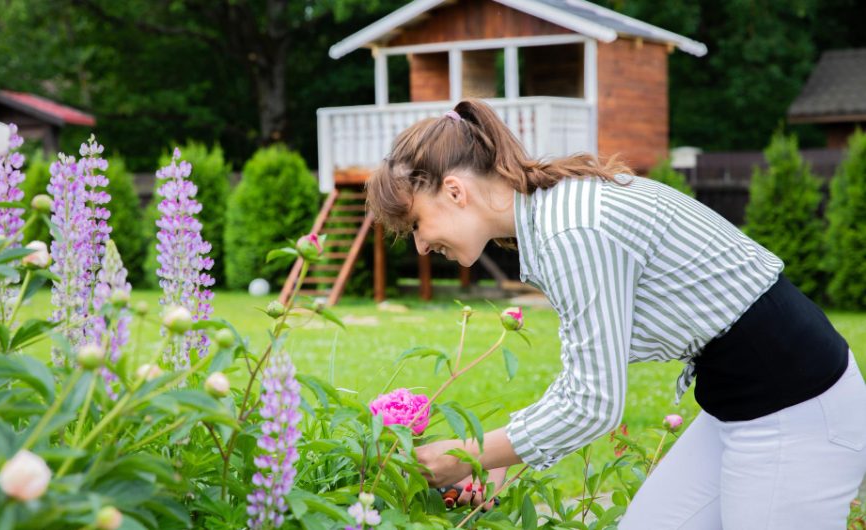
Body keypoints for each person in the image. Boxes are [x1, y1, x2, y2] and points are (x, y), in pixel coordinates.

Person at [365, 98, 866, 528]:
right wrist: (497, 457)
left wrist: (467, 457)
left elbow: (593, 406)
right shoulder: (553, 219)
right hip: (738, 405)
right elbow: (583, 377)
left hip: (798, 408)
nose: (422, 245)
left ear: (455, 191)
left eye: (416, 224)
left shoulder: (570, 231)